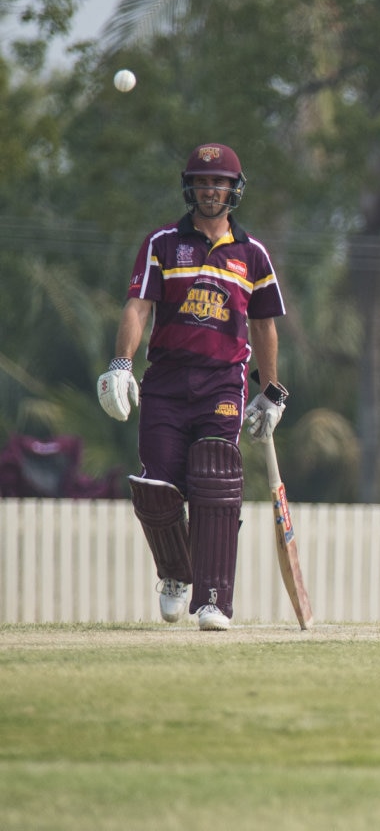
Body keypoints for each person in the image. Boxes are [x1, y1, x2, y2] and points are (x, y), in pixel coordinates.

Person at [96, 142, 288, 631]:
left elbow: (265, 326)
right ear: (190, 187)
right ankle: (176, 574)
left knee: (214, 477)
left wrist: (272, 391)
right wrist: (121, 363)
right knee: (156, 487)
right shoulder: (162, 242)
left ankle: (214, 600)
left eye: (219, 182)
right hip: (165, 380)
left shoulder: (252, 253)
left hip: (223, 380)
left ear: (233, 189)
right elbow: (138, 306)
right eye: (203, 182)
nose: (210, 190)